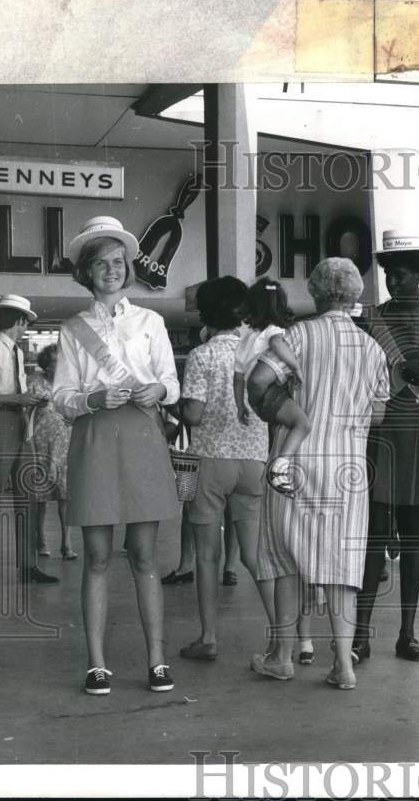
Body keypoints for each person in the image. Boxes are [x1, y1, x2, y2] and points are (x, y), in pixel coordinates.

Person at [53, 216, 181, 696]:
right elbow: (61, 395)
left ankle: (157, 660)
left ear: (129, 268)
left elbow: (172, 383)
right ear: (86, 272)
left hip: (143, 437)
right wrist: (90, 401)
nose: (111, 269)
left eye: (118, 262)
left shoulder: (152, 322)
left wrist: (157, 389)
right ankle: (97, 664)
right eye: (101, 263)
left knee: (146, 556)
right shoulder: (72, 329)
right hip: (95, 439)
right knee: (98, 556)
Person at [253, 258, 389, 691]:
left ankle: (281, 656)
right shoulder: (372, 348)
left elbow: (258, 381)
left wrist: (279, 411)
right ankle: (343, 665)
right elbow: (381, 412)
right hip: (347, 465)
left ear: (314, 291)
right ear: (353, 295)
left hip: (295, 460)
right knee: (343, 564)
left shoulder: (298, 336)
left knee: (288, 559)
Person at [353, 230, 419, 664]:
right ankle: (360, 635)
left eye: (402, 273)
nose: (394, 280)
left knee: (415, 538)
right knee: (374, 538)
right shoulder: (367, 318)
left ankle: (408, 633)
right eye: (388, 273)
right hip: (378, 430)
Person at [176, 276, 275, 663]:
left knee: (206, 556)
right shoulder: (261, 354)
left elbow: (194, 416)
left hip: (210, 462)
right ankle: (282, 634)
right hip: (253, 462)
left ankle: (209, 638)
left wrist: (176, 406)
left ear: (207, 314)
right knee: (254, 554)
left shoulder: (202, 356)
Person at [0, 294, 59, 588]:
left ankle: (27, 565)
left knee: (28, 496)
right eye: (25, 322)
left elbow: (15, 392)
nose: (25, 327)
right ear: (18, 320)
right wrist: (16, 399)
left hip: (21, 422)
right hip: (0, 423)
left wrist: (30, 403)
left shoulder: (17, 353)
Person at [233, 278, 311, 496]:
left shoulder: (246, 338)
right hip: (270, 391)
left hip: (255, 398)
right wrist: (296, 367)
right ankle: (280, 470)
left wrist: (241, 406)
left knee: (279, 429)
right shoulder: (274, 331)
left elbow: (238, 378)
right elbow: (278, 345)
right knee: (302, 424)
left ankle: (275, 463)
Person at [29, 344, 77, 560]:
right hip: (40, 446)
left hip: (65, 445)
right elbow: (25, 413)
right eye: (56, 362)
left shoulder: (70, 385)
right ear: (46, 365)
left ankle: (67, 543)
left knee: (65, 496)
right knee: (40, 497)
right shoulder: (34, 382)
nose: (60, 366)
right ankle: (41, 540)